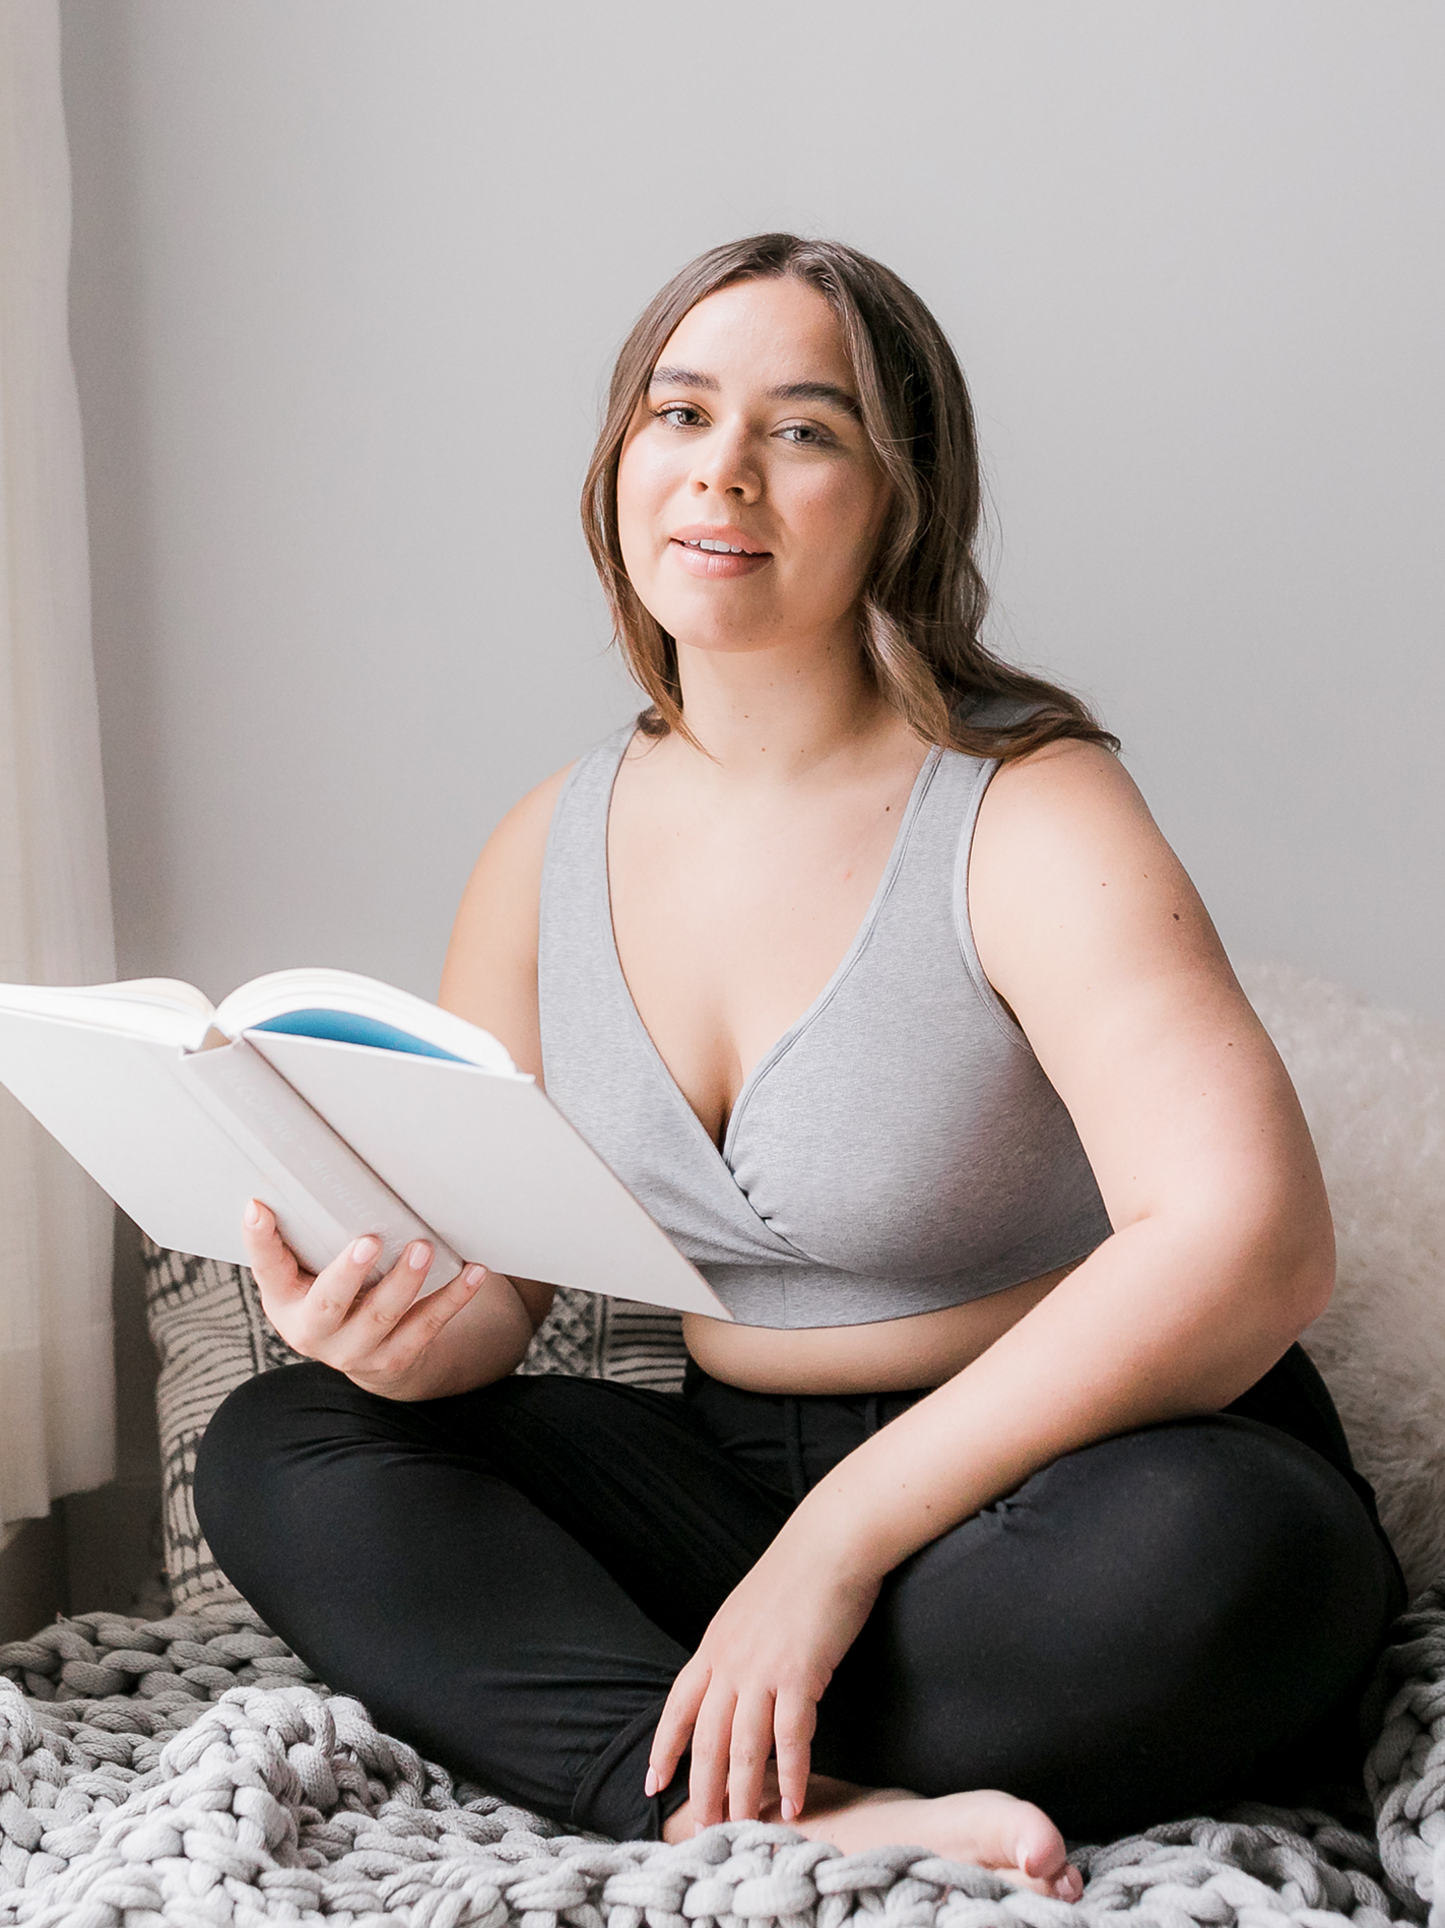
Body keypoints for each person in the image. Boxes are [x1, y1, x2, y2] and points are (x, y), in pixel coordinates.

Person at [195, 234, 1402, 1896]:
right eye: (678, 413)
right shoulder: (544, 846)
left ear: (902, 498)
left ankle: (705, 1728)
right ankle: (773, 1800)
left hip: (1070, 1490)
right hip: (726, 1486)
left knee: (1237, 1555)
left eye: (806, 429)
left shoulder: (1029, 807)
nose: (724, 471)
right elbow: (499, 1299)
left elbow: (1255, 1244)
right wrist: (401, 1341)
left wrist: (837, 1551)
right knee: (283, 1441)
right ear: (621, 459)